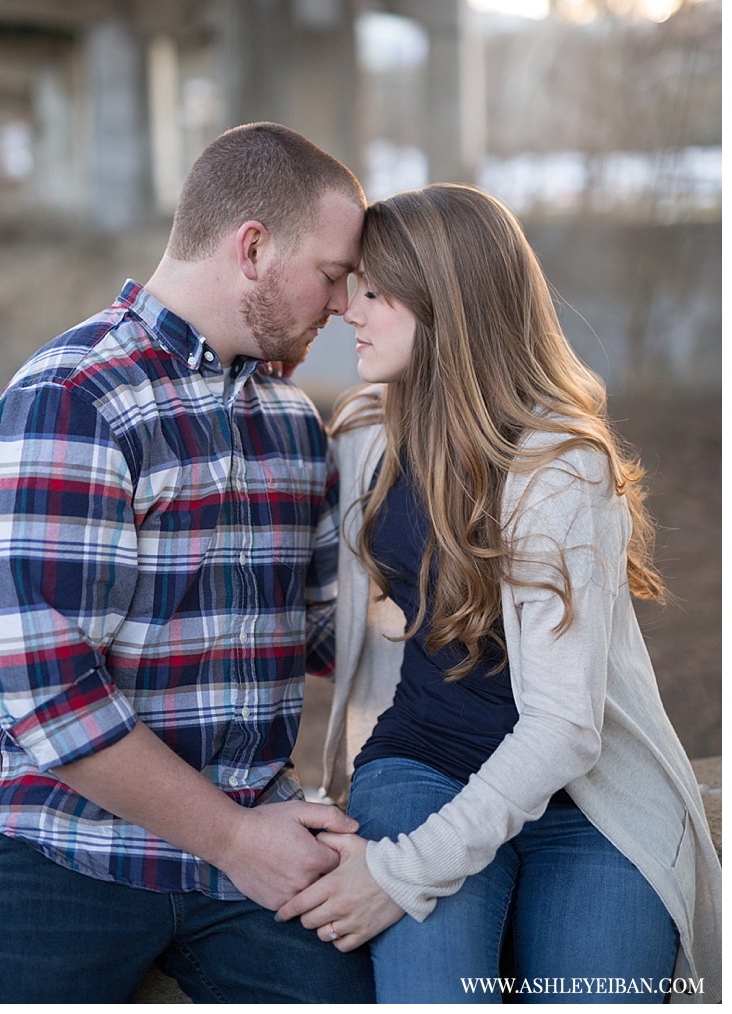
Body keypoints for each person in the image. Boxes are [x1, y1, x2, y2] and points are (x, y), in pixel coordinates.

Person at [0, 122, 376, 1004]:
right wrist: (236, 841)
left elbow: (342, 632)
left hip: (250, 858)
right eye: (332, 274)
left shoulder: (292, 423)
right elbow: (51, 697)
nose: (339, 305)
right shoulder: (73, 399)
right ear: (252, 248)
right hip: (57, 849)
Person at [276, 184, 722, 1004]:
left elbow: (563, 729)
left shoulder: (559, 464)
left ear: (447, 303)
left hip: (585, 804)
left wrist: (400, 873)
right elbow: (315, 614)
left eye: (375, 291)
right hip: (422, 765)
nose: (350, 309)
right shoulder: (368, 431)